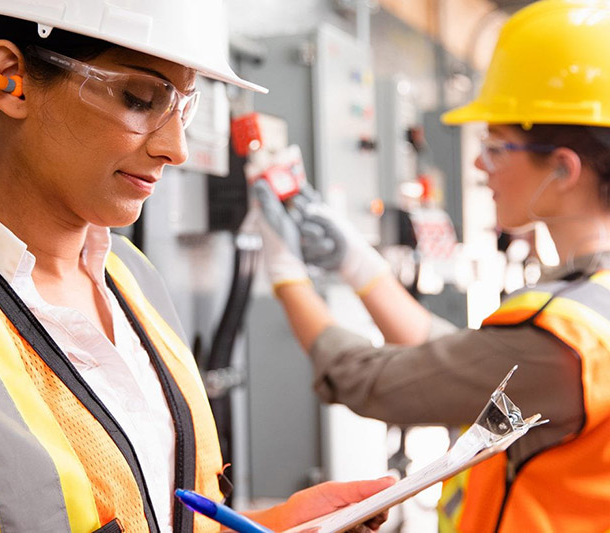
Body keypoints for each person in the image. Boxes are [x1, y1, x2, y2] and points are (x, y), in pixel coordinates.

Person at [0, 1, 395, 532]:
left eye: (184, 108)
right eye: (140, 99)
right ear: (8, 80)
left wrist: (276, 526)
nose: (177, 148)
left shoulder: (133, 280)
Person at [250, 1, 610, 531]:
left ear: (562, 168)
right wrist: (357, 262)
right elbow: (458, 362)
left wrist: (283, 270)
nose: (477, 163)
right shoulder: (589, 305)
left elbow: (370, 381)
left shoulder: (563, 336)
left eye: (495, 146)